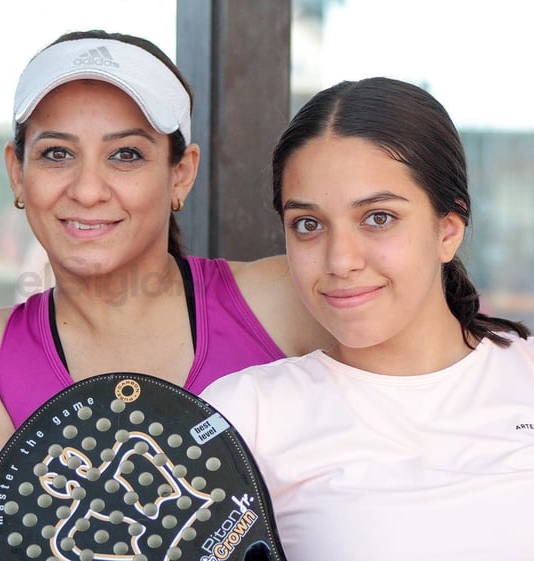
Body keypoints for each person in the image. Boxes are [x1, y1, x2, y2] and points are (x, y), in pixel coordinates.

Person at [0, 29, 334, 537]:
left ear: (180, 174)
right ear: (16, 173)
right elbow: (13, 547)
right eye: (56, 154)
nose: (88, 189)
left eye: (126, 155)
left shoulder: (282, 299)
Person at [200, 77, 534, 560]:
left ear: (448, 229)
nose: (340, 260)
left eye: (378, 217)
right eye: (308, 225)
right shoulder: (246, 414)